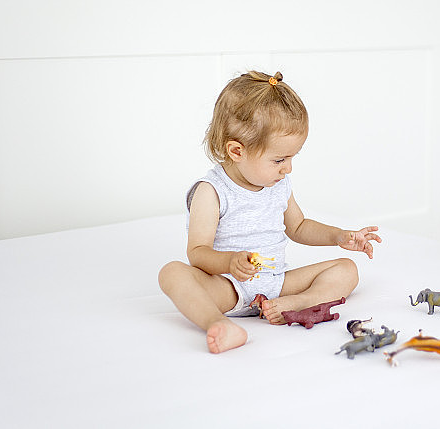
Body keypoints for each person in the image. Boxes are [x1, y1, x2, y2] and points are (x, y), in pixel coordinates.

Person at [158, 71, 381, 353]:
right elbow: (197, 253)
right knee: (172, 273)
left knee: (347, 269)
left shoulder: (278, 183)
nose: (288, 168)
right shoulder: (211, 191)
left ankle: (297, 303)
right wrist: (230, 264)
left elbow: (298, 227)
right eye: (279, 159)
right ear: (237, 151)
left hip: (277, 283)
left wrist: (339, 236)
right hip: (229, 287)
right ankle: (218, 323)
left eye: (291, 158)